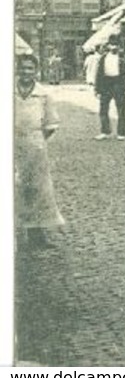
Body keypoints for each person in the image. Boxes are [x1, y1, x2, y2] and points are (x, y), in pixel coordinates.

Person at [15, 53, 66, 248]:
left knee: (36, 188)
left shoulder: (43, 94)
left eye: (30, 68)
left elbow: (51, 123)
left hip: (35, 145)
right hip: (11, 144)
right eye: (22, 67)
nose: (26, 72)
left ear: (36, 71)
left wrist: (36, 142)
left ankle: (36, 233)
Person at [94, 40, 125, 140]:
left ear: (119, 46)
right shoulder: (103, 58)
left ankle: (121, 133)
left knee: (121, 109)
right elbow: (99, 74)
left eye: (116, 45)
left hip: (118, 83)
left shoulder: (123, 58)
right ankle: (105, 131)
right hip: (106, 83)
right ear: (108, 46)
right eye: (112, 45)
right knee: (103, 108)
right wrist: (97, 89)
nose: (114, 47)